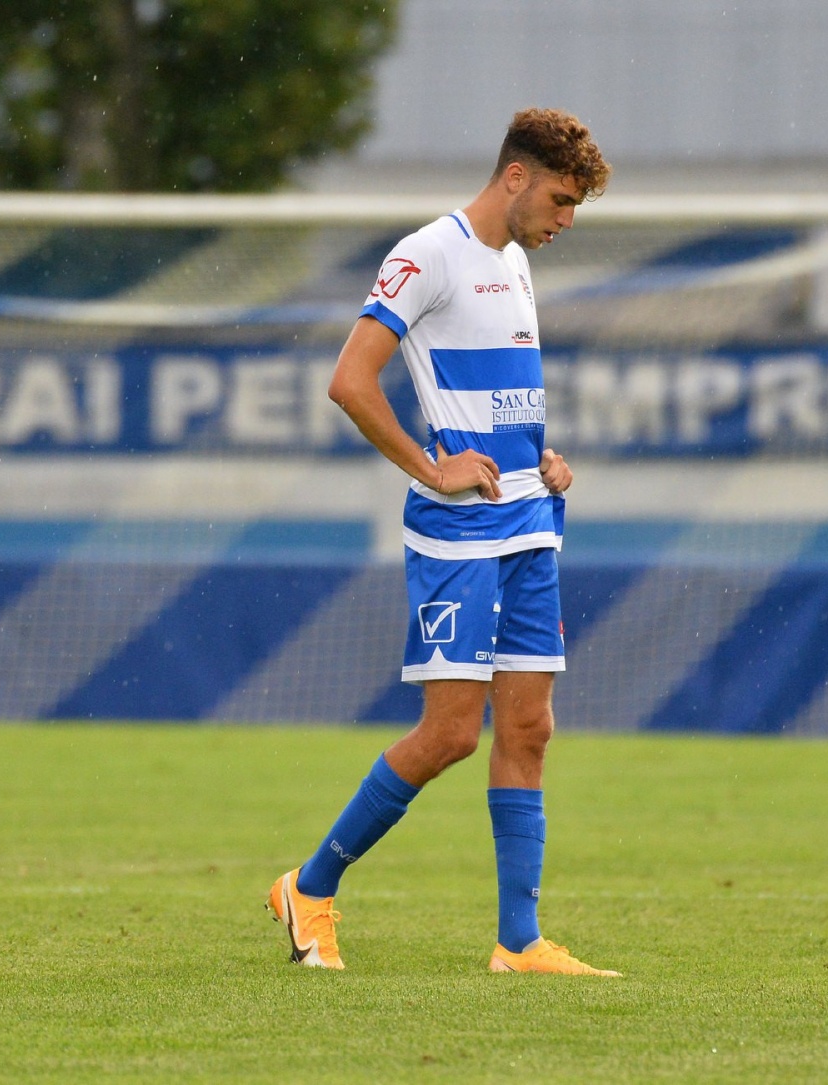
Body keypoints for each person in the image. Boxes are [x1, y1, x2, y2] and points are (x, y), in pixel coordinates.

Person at [267, 107, 617, 976]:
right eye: (561, 199)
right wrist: (432, 467)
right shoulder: (427, 253)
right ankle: (309, 885)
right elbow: (350, 381)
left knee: (529, 726)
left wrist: (540, 458)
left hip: (531, 521)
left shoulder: (515, 263)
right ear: (515, 177)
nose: (566, 220)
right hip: (459, 534)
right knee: (452, 733)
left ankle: (518, 940)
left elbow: (497, 398)